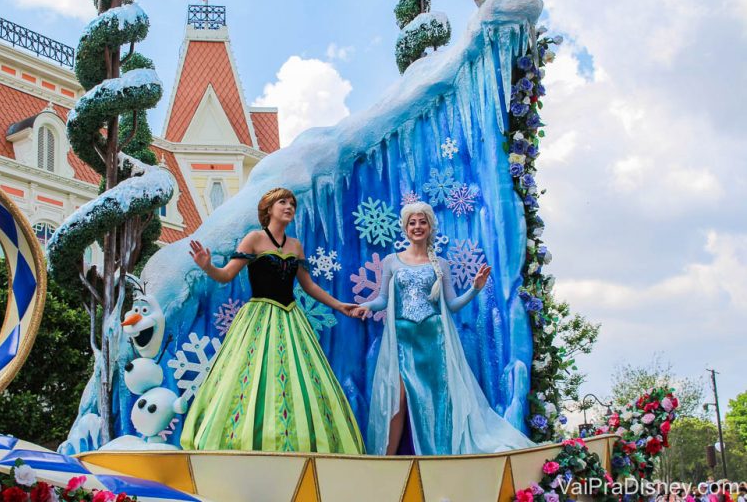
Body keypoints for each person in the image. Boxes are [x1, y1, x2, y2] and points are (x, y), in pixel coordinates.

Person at [180, 188, 364, 453]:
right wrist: (207, 265)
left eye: (292, 203)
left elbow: (309, 286)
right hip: (259, 318)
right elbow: (226, 276)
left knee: (294, 379)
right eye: (282, 202)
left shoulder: (295, 245)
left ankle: (297, 441)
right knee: (252, 376)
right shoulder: (254, 239)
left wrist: (340, 305)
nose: (289, 207)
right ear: (268, 208)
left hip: (291, 318)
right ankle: (248, 441)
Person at [351, 201, 534, 455]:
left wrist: (475, 288)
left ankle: (439, 454)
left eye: (422, 222)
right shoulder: (392, 261)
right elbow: (383, 299)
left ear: (429, 227)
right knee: (398, 398)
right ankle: (386, 458)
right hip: (404, 340)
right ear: (405, 228)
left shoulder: (441, 265)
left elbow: (452, 305)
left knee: (437, 399)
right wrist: (368, 306)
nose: (417, 226)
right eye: (412, 222)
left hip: (433, 340)